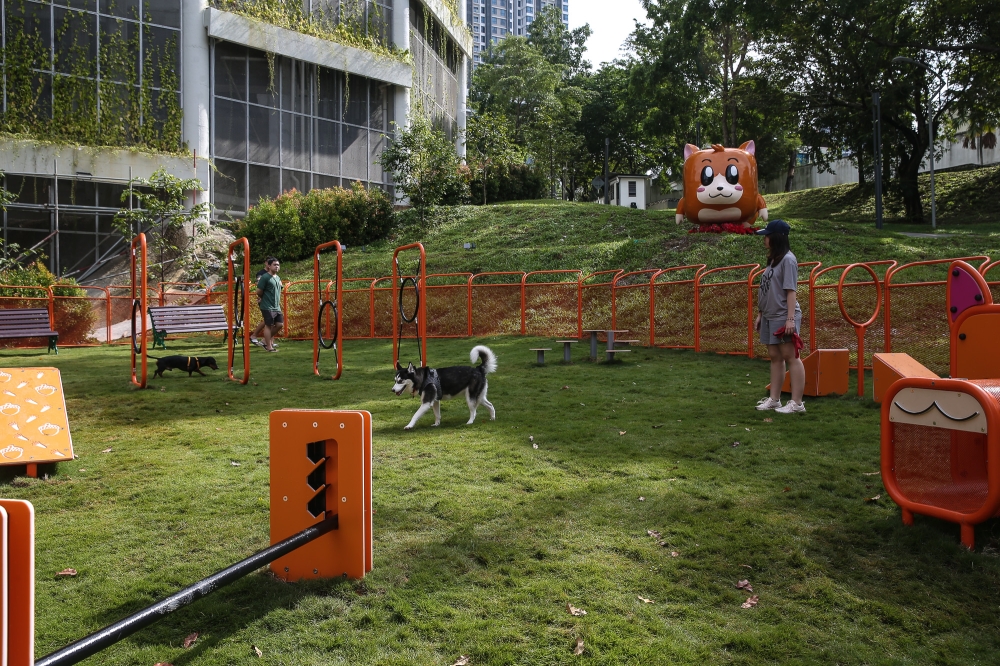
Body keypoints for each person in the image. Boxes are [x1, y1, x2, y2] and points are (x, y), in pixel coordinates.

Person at [754, 220, 806, 413]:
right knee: (775, 356)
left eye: (767, 236)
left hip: (783, 315)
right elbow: (766, 290)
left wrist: (790, 319)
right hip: (769, 315)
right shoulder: (774, 260)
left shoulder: (788, 260)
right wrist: (760, 313)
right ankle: (774, 399)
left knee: (790, 356)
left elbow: (790, 290)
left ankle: (797, 403)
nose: (764, 239)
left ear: (776, 238)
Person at [256, 257, 283, 353]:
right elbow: (258, 291)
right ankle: (269, 347)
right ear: (269, 266)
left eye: (278, 265)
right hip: (267, 306)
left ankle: (264, 341)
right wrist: (264, 298)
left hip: (276, 306)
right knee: (269, 325)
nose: (277, 266)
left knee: (280, 324)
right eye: (274, 265)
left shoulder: (278, 277)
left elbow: (279, 289)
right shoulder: (265, 277)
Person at [249, 262, 274, 348]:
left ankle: (269, 341)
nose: (276, 266)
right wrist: (261, 297)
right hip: (264, 300)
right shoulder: (261, 274)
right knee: (269, 320)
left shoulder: (274, 275)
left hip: (272, 301)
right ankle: (255, 336)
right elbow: (259, 286)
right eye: (273, 264)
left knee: (273, 321)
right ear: (267, 264)